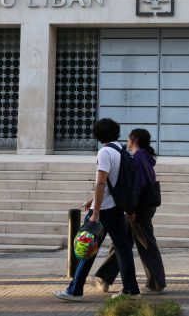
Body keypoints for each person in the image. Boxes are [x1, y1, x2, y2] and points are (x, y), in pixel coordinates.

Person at [53, 118, 140, 302]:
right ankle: (131, 290)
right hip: (116, 207)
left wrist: (95, 212)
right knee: (123, 250)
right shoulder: (121, 150)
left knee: (86, 247)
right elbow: (113, 182)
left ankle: (74, 291)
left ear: (98, 135)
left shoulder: (105, 152)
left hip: (104, 210)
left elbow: (101, 182)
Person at [93, 128, 167, 294]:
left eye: (129, 138)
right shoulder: (145, 157)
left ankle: (156, 283)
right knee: (123, 243)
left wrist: (131, 209)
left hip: (139, 207)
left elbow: (135, 186)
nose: (127, 141)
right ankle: (103, 278)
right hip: (143, 205)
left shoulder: (138, 158)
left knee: (143, 243)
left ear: (135, 140)